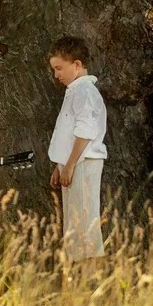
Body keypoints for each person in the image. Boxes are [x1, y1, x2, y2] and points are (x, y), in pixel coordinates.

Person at [47, 37, 108, 263]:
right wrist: (60, 164)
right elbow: (67, 134)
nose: (56, 75)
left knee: (85, 223)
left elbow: (85, 131)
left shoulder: (85, 92)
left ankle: (93, 281)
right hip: (73, 163)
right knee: (73, 224)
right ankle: (77, 283)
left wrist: (70, 164)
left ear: (77, 65)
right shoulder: (74, 91)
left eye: (59, 68)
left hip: (84, 162)